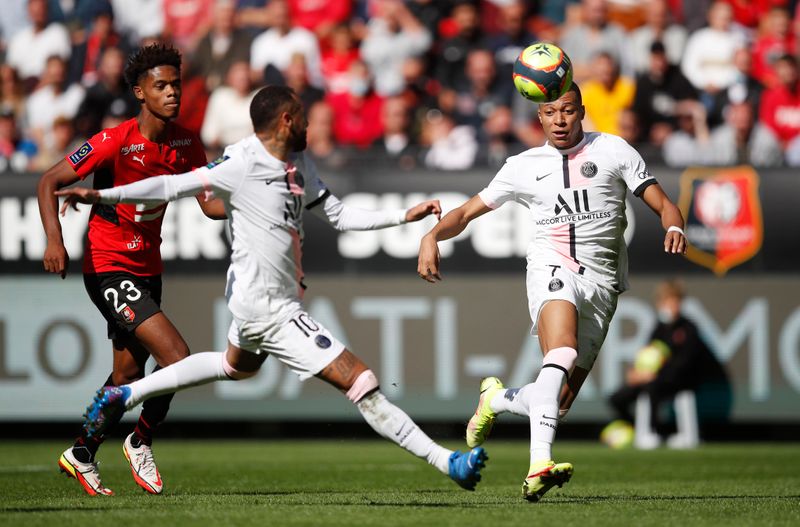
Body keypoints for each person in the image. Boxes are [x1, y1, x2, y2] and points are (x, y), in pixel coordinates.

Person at [61, 85, 488, 494]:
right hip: (270, 308)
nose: (311, 125)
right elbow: (170, 186)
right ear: (286, 121)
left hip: (260, 301)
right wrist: (102, 195)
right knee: (362, 381)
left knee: (235, 367)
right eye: (304, 118)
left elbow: (339, 216)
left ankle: (126, 393)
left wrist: (402, 216)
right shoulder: (240, 163)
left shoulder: (301, 162)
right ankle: (446, 462)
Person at [416, 83, 686, 501]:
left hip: (604, 282)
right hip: (552, 266)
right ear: (538, 117)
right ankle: (538, 464)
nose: (560, 120)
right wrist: (433, 235)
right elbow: (467, 211)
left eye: (568, 111)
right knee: (563, 350)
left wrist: (673, 224)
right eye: (550, 112)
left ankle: (497, 399)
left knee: (556, 403)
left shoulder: (614, 150)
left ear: (581, 112)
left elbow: (663, 202)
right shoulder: (522, 165)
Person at [37, 43, 226, 497]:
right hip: (107, 266)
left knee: (126, 376)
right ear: (140, 92)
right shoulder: (114, 140)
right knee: (177, 358)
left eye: (176, 85)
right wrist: (54, 240)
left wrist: (244, 199)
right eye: (160, 86)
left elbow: (211, 206)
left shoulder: (187, 143)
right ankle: (140, 439)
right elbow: (49, 181)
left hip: (148, 269)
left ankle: (82, 451)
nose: (172, 93)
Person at [606, 279, 731, 447]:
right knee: (617, 398)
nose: (671, 305)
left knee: (652, 387)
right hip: (654, 377)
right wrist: (636, 372)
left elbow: (684, 364)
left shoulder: (688, 328)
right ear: (660, 303)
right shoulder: (658, 328)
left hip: (681, 381)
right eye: (666, 301)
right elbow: (648, 354)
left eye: (675, 301)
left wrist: (653, 374)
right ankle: (636, 428)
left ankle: (652, 433)